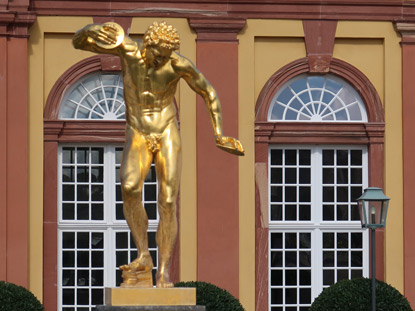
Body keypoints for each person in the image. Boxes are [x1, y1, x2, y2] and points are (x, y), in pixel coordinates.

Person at [73, 21, 244, 288]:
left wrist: (219, 133)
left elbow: (208, 91)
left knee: (167, 199)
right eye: (158, 55)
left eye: (166, 56)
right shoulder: (128, 51)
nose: (161, 60)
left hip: (166, 131)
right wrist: (89, 32)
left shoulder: (177, 65)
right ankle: (143, 255)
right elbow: (78, 42)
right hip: (138, 132)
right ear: (148, 45)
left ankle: (163, 272)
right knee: (129, 188)